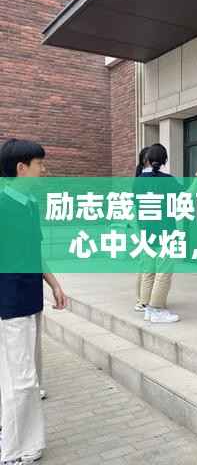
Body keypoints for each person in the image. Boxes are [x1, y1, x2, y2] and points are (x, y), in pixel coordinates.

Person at [0, 139, 67, 465]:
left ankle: (23, 440)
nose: (44, 170)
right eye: (39, 164)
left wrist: (54, 284)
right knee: (20, 380)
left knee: (27, 377)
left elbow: (35, 251)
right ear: (21, 168)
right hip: (10, 307)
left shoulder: (28, 204)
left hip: (31, 303)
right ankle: (14, 451)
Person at [135, 143, 197, 323]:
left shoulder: (138, 181)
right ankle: (156, 310)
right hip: (165, 233)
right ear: (164, 160)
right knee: (163, 273)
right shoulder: (167, 180)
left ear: (147, 160)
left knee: (148, 272)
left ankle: (146, 307)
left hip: (146, 233)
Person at [134, 146, 151, 312]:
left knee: (144, 266)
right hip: (145, 227)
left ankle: (141, 299)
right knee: (147, 267)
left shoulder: (139, 179)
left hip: (142, 227)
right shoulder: (144, 180)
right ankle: (142, 302)